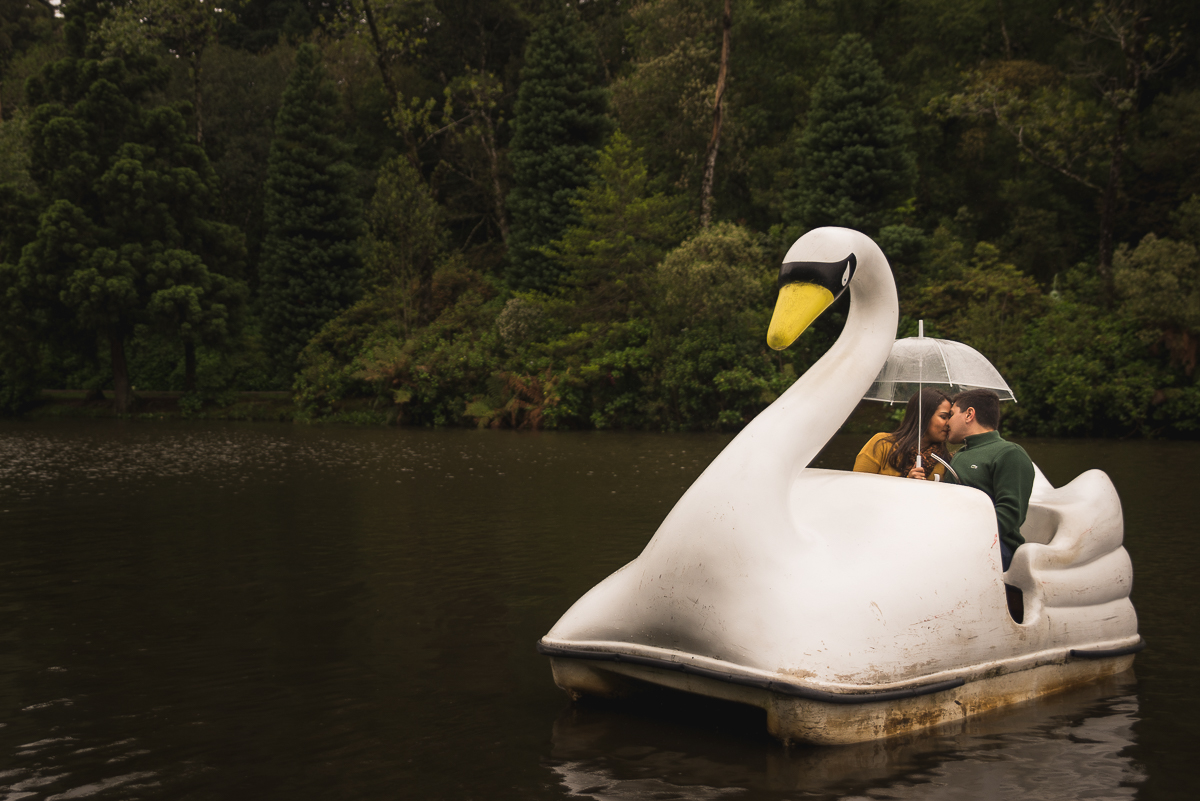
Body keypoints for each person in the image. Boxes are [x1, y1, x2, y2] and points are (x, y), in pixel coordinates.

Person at [944, 388, 1035, 571]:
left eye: (951, 414)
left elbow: (1010, 514)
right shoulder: (960, 454)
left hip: (997, 549)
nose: (947, 423)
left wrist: (961, 537)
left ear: (969, 414)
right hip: (952, 541)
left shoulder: (1009, 453)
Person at [854, 388, 952, 481]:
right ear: (923, 416)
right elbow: (858, 486)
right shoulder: (882, 444)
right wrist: (907, 483)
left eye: (950, 418)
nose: (948, 423)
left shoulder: (945, 461)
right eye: (943, 417)